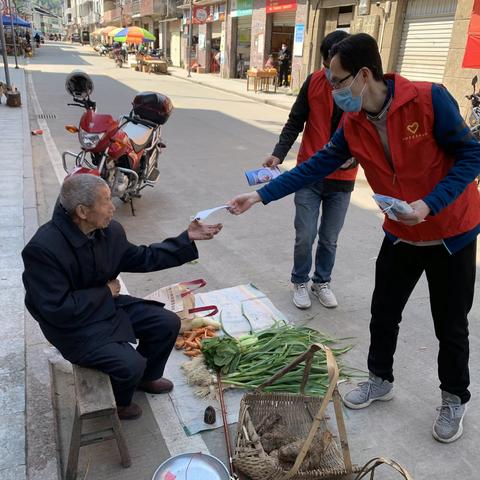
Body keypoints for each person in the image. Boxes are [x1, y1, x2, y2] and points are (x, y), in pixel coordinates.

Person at [227, 33, 480, 443]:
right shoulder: (354, 122)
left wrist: (429, 204)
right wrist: (258, 195)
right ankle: (380, 379)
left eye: (337, 80)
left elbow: (472, 155)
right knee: (383, 312)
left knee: (450, 326)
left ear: (364, 75)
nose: (331, 88)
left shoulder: (429, 100)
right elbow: (314, 166)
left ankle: (454, 397)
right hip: (401, 232)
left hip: (451, 233)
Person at [22, 175, 223, 420]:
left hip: (106, 307)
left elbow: (142, 257)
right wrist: (105, 291)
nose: (113, 207)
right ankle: (120, 403)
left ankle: (146, 378)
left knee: (166, 323)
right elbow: (56, 309)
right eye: (106, 201)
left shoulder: (108, 232)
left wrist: (186, 239)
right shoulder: (43, 249)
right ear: (83, 211)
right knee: (130, 364)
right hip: (71, 327)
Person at [264, 30, 356, 310]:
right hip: (309, 175)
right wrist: (278, 154)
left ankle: (322, 282)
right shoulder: (313, 82)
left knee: (330, 239)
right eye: (327, 68)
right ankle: (300, 281)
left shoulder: (359, 90)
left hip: (342, 181)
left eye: (336, 69)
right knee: (305, 235)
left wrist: (356, 159)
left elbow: (372, 135)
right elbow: (295, 121)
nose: (331, 76)